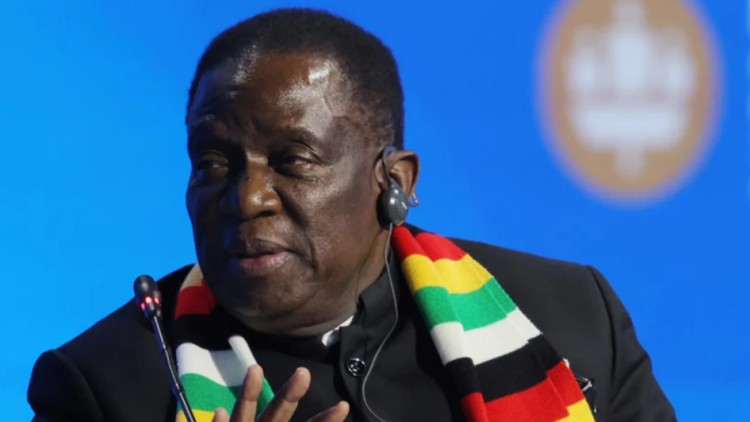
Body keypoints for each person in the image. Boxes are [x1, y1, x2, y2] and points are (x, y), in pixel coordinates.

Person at [27, 8, 675, 422]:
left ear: (394, 182)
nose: (246, 198)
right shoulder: (105, 385)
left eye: (292, 160)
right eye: (215, 163)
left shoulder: (567, 317)